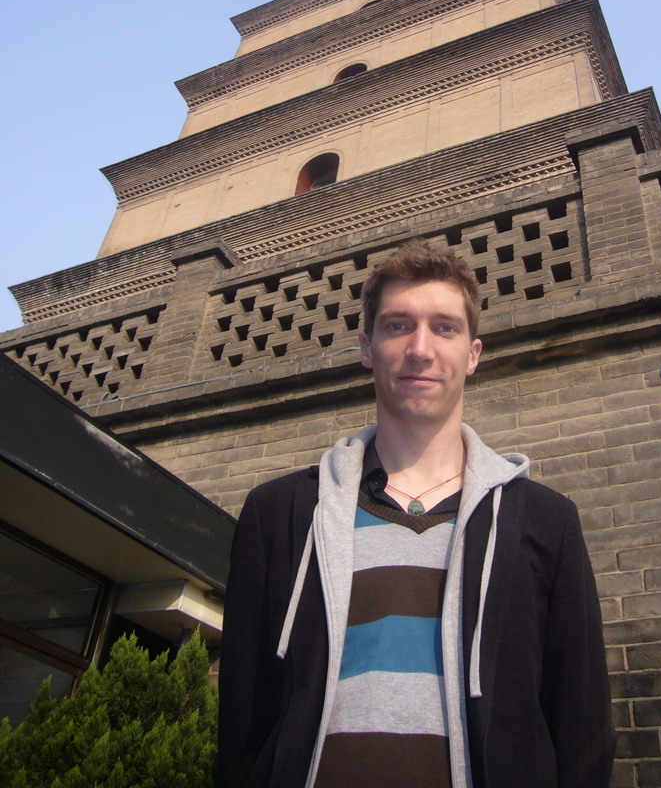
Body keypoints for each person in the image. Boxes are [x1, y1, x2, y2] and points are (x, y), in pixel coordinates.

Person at [217, 239, 615, 788]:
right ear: (367, 346)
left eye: (445, 328)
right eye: (399, 326)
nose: (421, 348)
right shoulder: (280, 513)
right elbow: (243, 721)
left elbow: (582, 726)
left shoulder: (544, 521)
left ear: (473, 355)